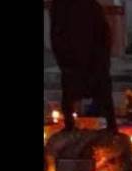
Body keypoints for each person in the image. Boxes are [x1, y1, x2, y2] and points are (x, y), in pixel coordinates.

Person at [50, 0, 117, 132]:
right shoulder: (61, 5)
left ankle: (111, 126)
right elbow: (56, 34)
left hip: (92, 59)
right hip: (74, 60)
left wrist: (102, 58)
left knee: (101, 91)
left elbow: (104, 33)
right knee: (71, 94)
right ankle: (70, 125)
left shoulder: (91, 6)